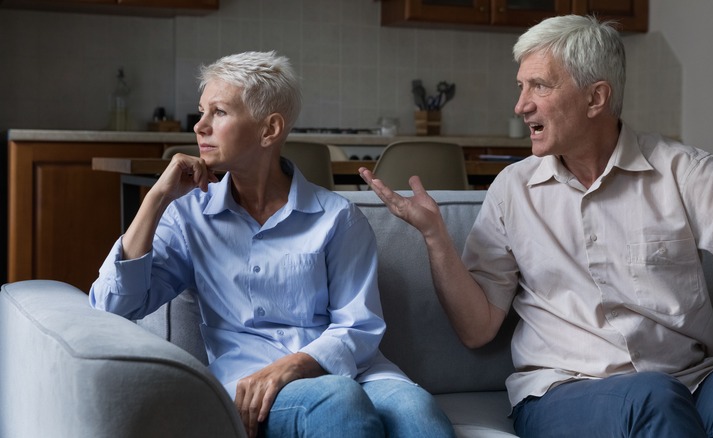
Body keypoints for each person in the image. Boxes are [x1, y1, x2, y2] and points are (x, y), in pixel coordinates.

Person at [359, 15, 713, 438]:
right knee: (653, 397)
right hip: (565, 394)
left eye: (539, 85)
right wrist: (435, 235)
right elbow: (477, 328)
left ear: (596, 98)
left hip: (694, 385)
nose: (521, 105)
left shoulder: (684, 172)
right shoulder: (513, 190)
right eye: (521, 87)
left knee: (660, 397)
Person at [90, 51, 454, 438]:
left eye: (219, 112)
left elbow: (358, 326)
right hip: (255, 387)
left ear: (269, 130)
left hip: (356, 373)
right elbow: (112, 307)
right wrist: (156, 199)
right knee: (337, 401)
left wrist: (294, 364)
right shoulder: (188, 218)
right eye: (201, 112)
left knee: (420, 414)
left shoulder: (337, 218)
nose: (200, 126)